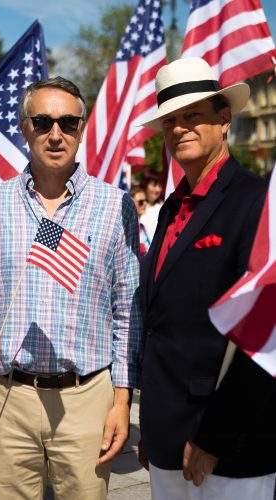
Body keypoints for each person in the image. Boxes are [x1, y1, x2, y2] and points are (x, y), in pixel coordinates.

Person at [0, 76, 142, 500]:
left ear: (81, 128)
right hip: (5, 395)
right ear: (24, 128)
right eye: (43, 121)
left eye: (68, 123)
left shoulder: (115, 206)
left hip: (86, 395)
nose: (56, 134)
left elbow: (128, 312)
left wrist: (122, 400)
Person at [138, 57, 276, 500]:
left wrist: (215, 437)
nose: (180, 128)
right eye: (171, 120)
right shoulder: (169, 211)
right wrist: (155, 427)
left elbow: (264, 336)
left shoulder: (256, 202)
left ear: (224, 119)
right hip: (167, 440)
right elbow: (161, 323)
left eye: (194, 114)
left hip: (230, 446)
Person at [139, 169, 163, 240]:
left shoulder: (164, 207)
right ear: (145, 185)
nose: (157, 189)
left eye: (160, 186)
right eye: (154, 185)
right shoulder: (135, 205)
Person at [131, 185, 151, 258]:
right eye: (141, 202)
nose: (145, 204)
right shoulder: (127, 228)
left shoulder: (142, 227)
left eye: (146, 200)